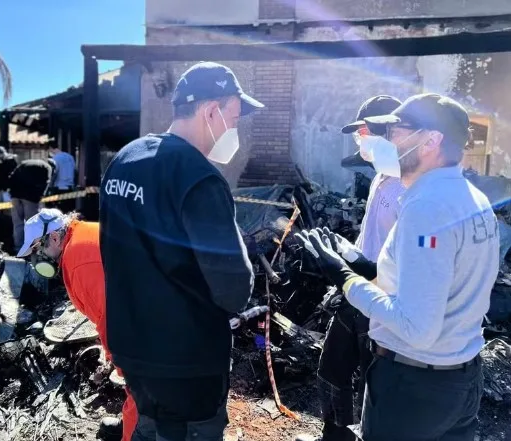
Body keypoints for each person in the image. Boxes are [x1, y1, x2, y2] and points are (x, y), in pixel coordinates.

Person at [299, 93, 499, 441]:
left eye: (396, 132)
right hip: (458, 379)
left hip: (414, 385)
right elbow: (426, 278)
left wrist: (345, 280)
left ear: (431, 140)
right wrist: (360, 263)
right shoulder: (472, 199)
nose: (387, 141)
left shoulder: (427, 208)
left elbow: (416, 325)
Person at [99, 61, 260, 441]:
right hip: (186, 361)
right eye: (234, 118)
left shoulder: (125, 160)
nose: (235, 129)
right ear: (210, 112)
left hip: (133, 348)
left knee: (149, 427)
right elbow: (234, 289)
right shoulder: (199, 178)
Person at [314, 95, 404, 441]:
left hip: (382, 299)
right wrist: (344, 252)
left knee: (374, 378)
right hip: (354, 289)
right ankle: (334, 434)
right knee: (332, 366)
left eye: (364, 132)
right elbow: (372, 235)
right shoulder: (381, 177)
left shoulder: (410, 188)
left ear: (387, 131)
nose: (360, 141)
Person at [16, 208, 137, 441]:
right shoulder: (82, 235)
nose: (40, 256)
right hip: (148, 312)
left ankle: (138, 432)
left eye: (38, 248)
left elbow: (113, 317)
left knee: (143, 389)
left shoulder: (79, 260)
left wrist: (120, 360)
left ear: (53, 236)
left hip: (148, 324)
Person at [8, 158, 52, 253]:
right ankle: (33, 249)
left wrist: (11, 193)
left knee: (18, 224)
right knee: (32, 224)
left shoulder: (24, 163)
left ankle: (18, 249)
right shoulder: (47, 167)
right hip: (30, 197)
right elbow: (46, 183)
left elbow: (11, 177)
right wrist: (41, 196)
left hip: (15, 196)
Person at [47, 144, 76, 213]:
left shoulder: (55, 158)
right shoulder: (70, 157)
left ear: (51, 148)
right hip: (70, 187)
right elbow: (75, 170)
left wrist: (49, 186)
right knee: (69, 210)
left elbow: (54, 173)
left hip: (59, 187)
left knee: (58, 210)